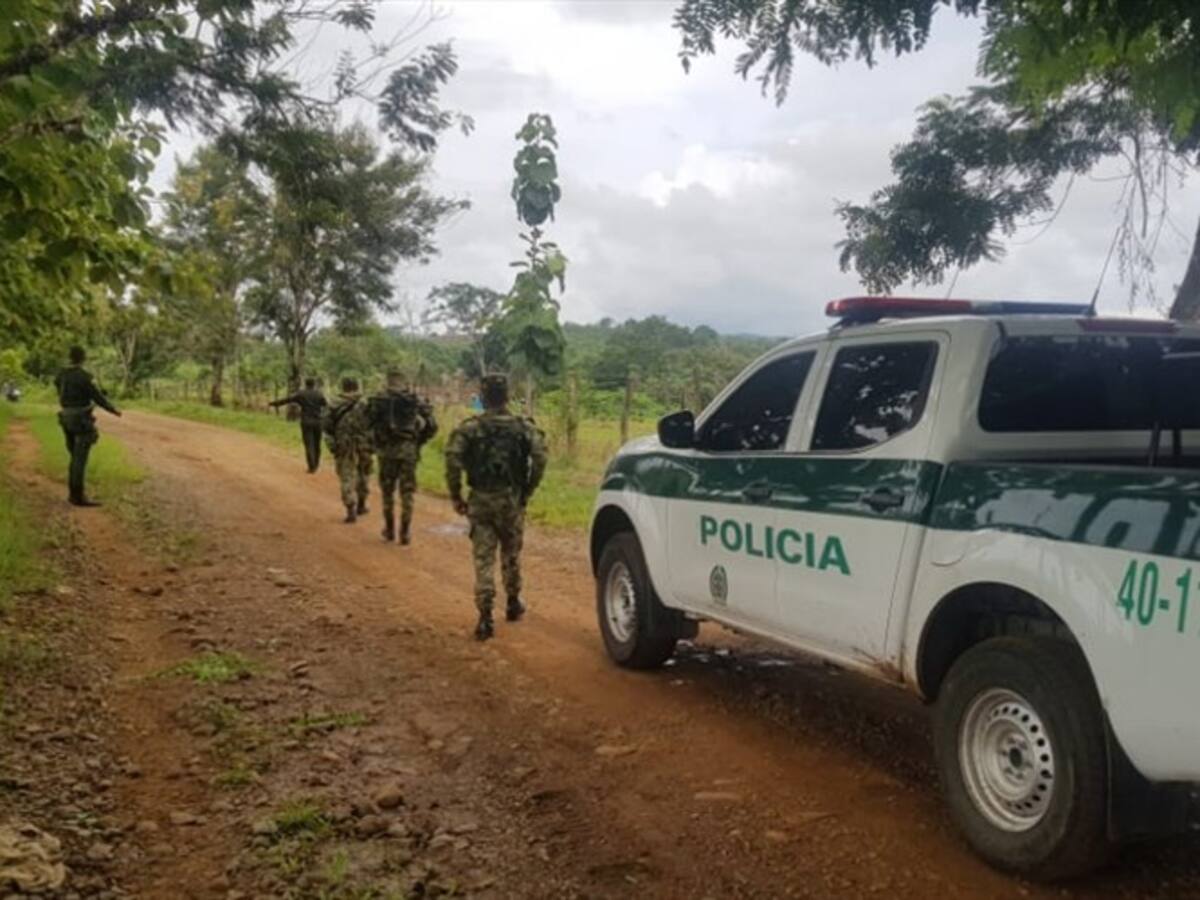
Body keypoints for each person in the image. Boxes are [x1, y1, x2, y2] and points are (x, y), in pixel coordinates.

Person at [445, 373, 547, 641]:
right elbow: (540, 457)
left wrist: (456, 494)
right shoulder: (523, 427)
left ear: (482, 396)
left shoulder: (469, 428)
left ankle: (485, 616)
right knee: (511, 554)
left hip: (480, 499)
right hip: (511, 499)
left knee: (483, 559)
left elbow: (453, 459)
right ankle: (513, 602)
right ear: (507, 396)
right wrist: (528, 489)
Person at [367, 368, 437, 545]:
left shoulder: (379, 400)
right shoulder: (414, 401)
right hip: (408, 452)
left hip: (386, 452)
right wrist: (418, 442)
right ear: (404, 382)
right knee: (407, 492)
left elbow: (366, 422)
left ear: (388, 381)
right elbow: (432, 426)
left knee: (388, 492)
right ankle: (405, 532)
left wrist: (375, 440)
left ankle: (389, 530)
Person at [54, 346, 121, 507]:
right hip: (81, 419)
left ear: (70, 357)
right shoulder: (85, 377)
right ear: (83, 358)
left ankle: (73, 494)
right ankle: (78, 496)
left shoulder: (61, 375)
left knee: (74, 457)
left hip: (66, 417)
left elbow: (58, 388)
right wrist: (113, 410)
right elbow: (97, 397)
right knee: (79, 459)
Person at [323, 377, 374, 523]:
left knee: (347, 476)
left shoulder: (333, 404)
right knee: (364, 473)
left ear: (343, 387)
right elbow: (374, 425)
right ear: (357, 386)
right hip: (364, 444)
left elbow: (326, 427)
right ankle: (362, 504)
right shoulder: (367, 404)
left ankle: (351, 508)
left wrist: (333, 446)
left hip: (344, 445)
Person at [269, 377, 327, 473]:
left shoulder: (301, 394)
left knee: (308, 443)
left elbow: (287, 400)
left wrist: (273, 404)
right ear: (314, 384)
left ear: (305, 384)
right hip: (318, 421)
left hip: (306, 421)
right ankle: (316, 464)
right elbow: (325, 405)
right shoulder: (319, 394)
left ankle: (311, 466)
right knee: (317, 444)